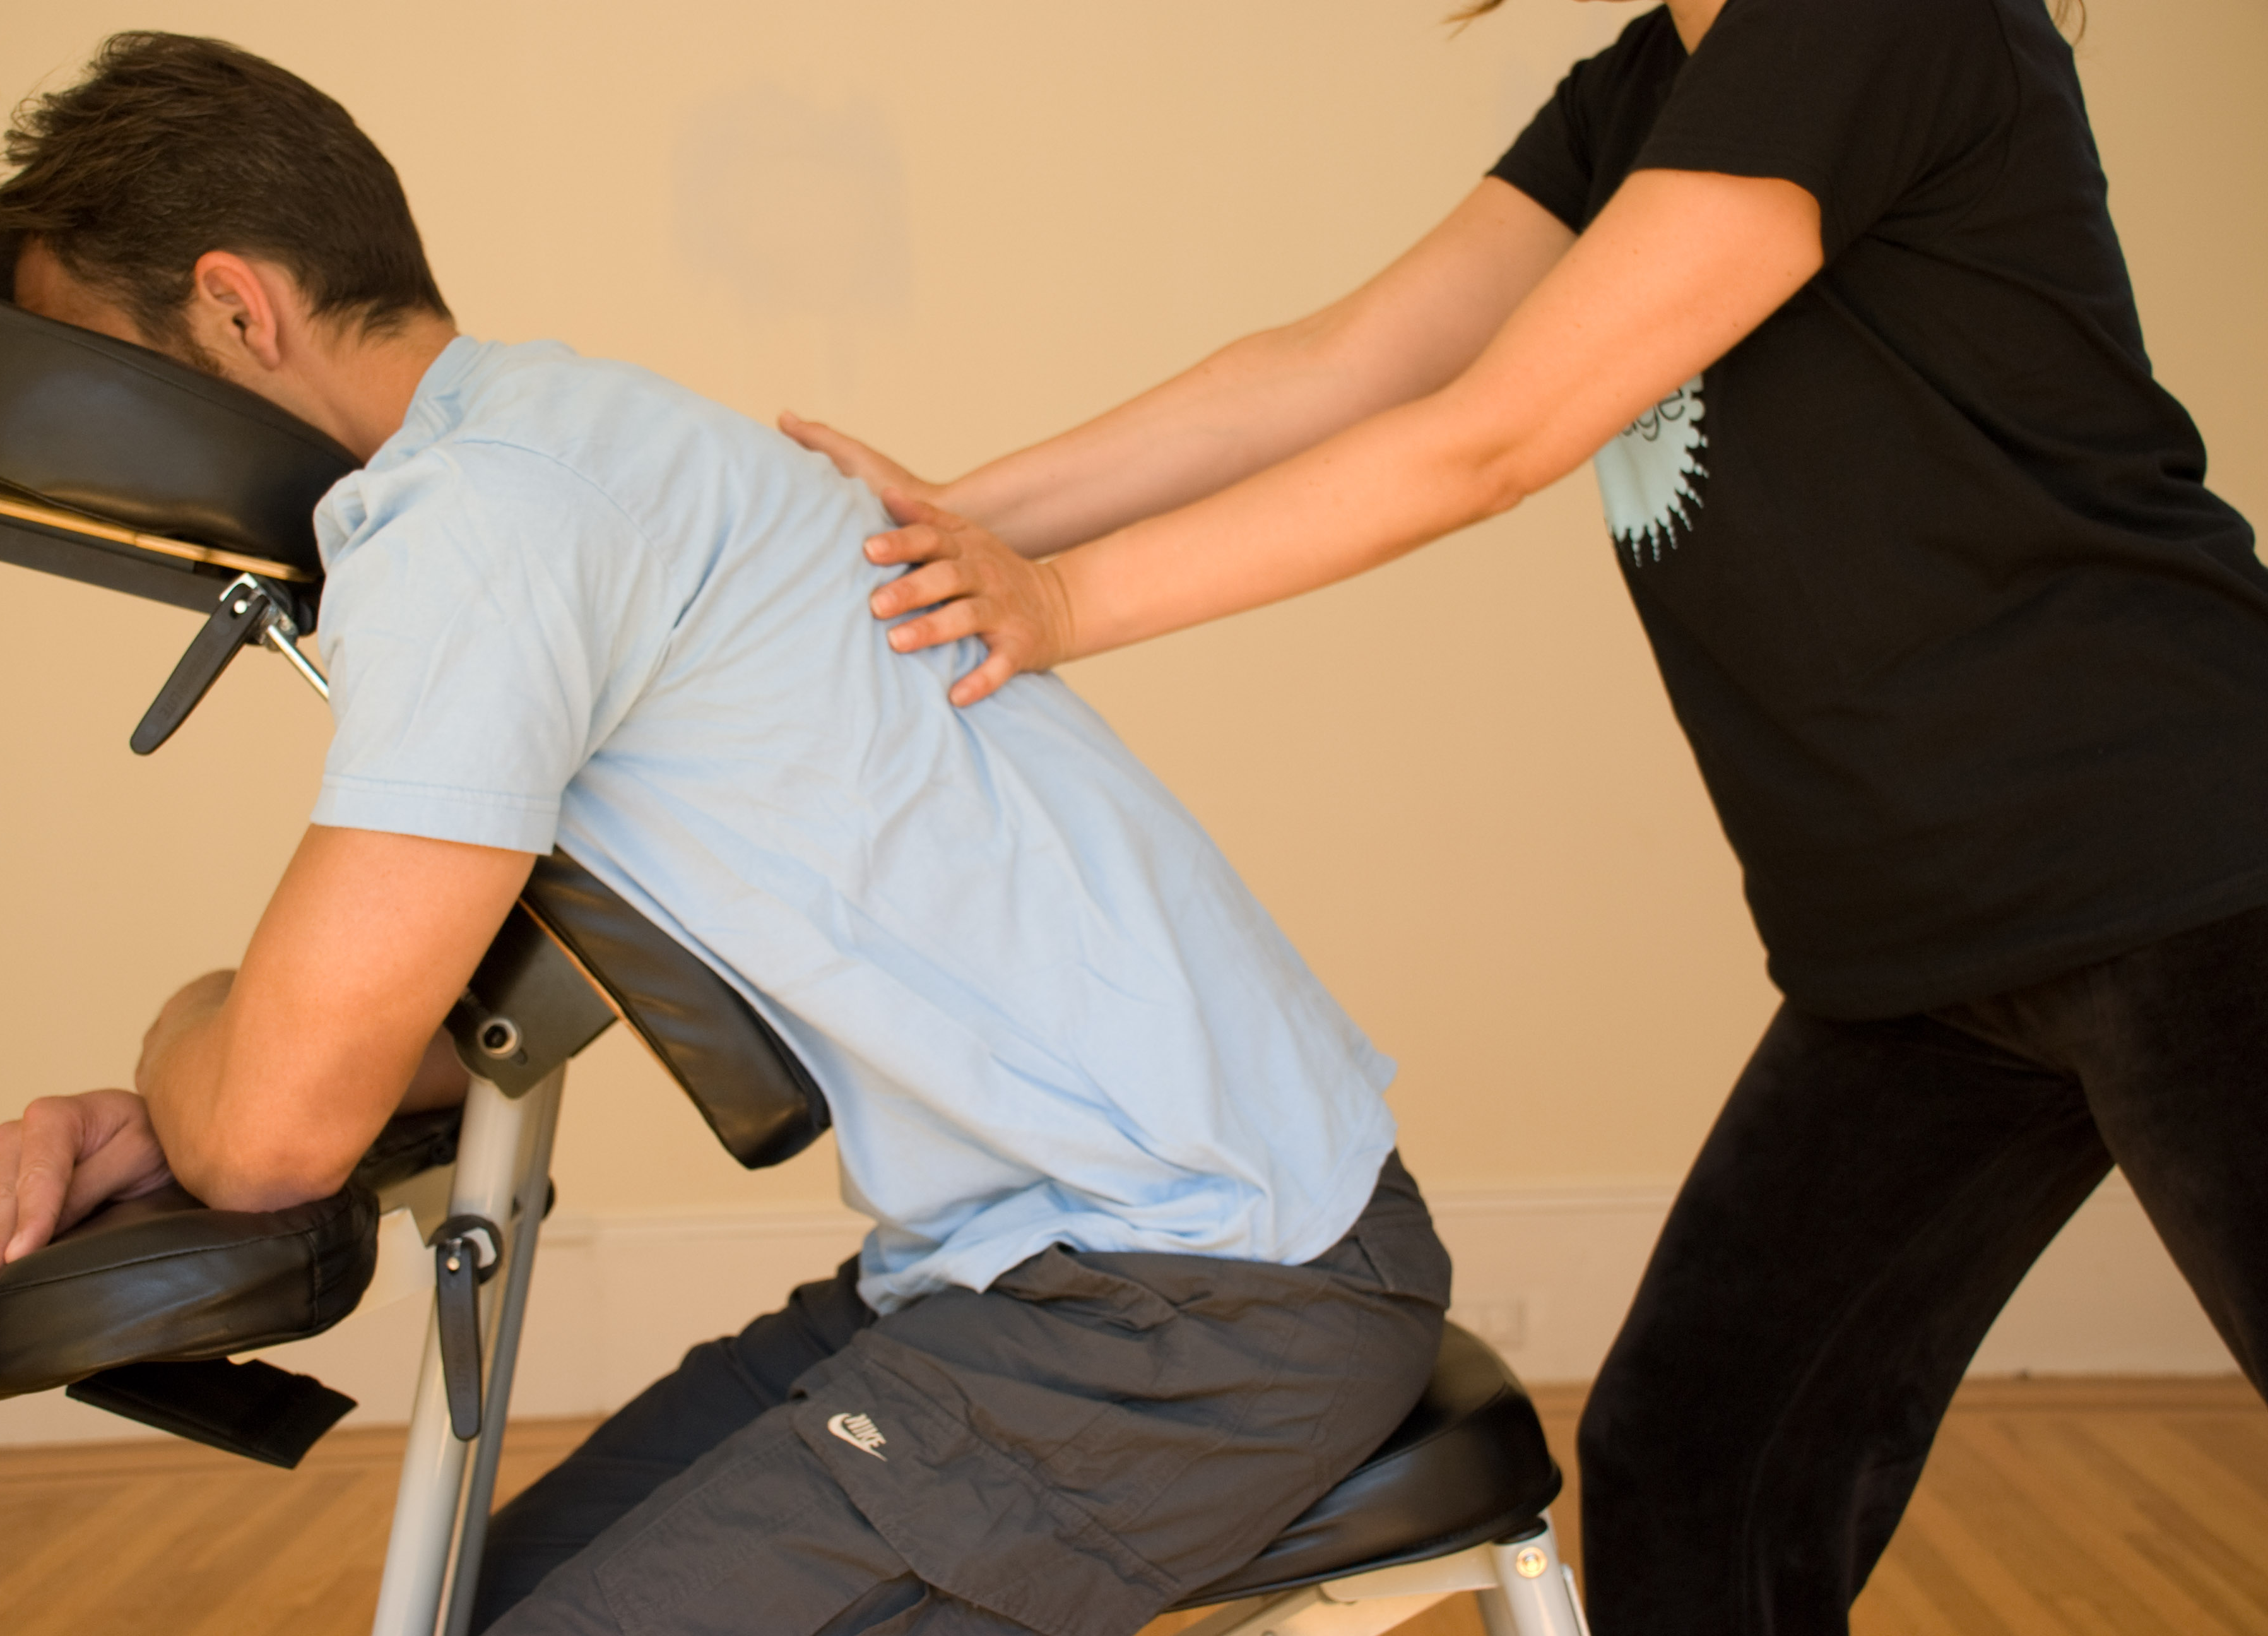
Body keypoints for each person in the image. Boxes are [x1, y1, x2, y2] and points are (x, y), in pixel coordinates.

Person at [0, 33, 1457, 1636]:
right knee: (489, 1605)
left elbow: (273, 1136)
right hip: (1048, 1259)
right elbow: (512, 999)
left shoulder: (479, 524)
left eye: (106, 378)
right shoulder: (573, 440)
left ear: (240, 310)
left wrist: (193, 1038)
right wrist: (192, 1097)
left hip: (1200, 1300)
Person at [778, 0, 2268, 1631]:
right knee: (1696, 1460)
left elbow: (1491, 440)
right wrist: (944, 529)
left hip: (2187, 870)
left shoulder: (1866, 16)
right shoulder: (1642, 91)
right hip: (1919, 950)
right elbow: (1343, 367)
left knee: (1701, 1456)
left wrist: (1058, 602)